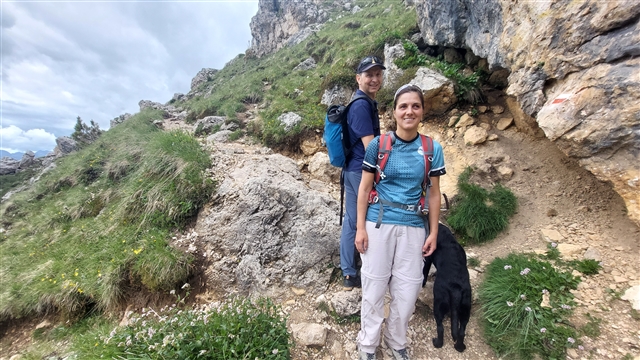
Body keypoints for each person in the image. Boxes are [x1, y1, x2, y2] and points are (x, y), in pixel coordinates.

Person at [355, 84, 446, 360]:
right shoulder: (378, 146)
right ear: (394, 112)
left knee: (407, 290)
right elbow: (363, 188)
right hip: (378, 223)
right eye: (403, 106)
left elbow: (433, 193)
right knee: (374, 286)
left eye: (415, 106)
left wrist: (433, 231)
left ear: (422, 111)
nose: (409, 111)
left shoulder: (432, 148)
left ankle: (397, 341)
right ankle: (368, 345)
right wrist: (360, 228)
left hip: (414, 227)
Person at [339, 56, 386, 290]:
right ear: (359, 78)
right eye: (369, 75)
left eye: (378, 74)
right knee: (357, 220)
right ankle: (349, 272)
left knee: (352, 219)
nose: (374, 79)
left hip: (354, 169)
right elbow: (371, 148)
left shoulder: (365, 102)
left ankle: (349, 270)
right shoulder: (360, 105)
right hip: (360, 171)